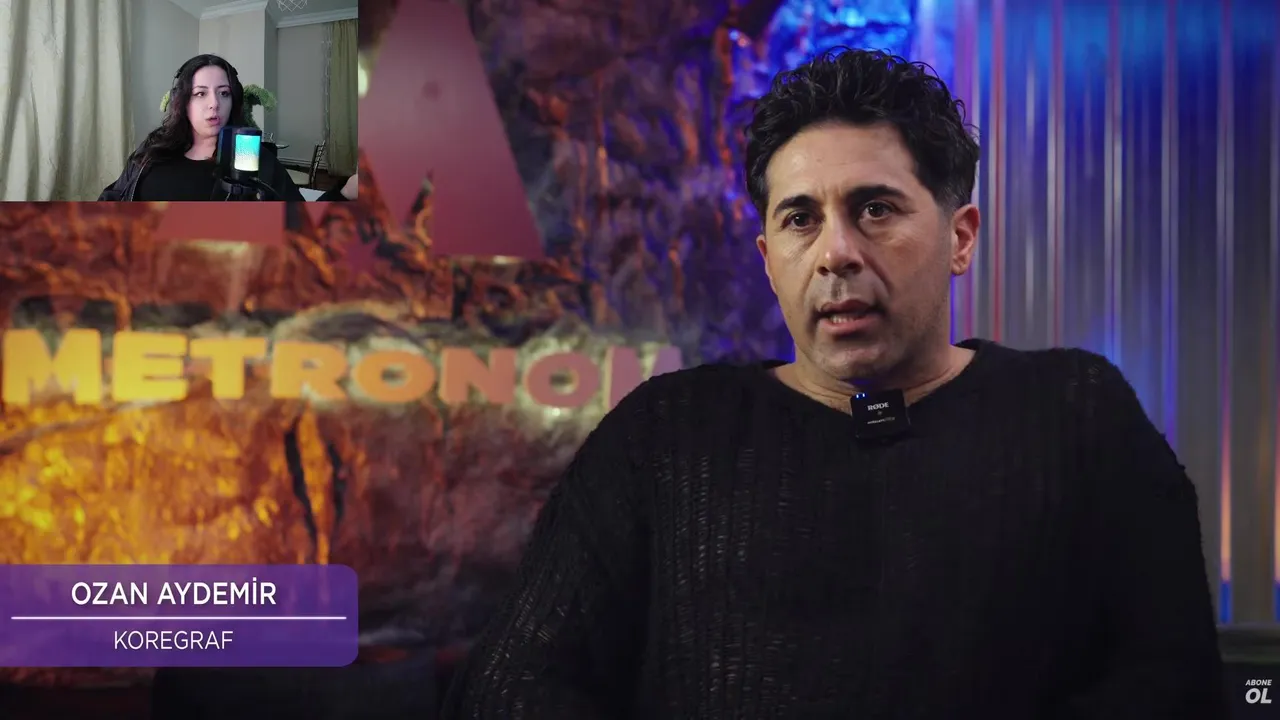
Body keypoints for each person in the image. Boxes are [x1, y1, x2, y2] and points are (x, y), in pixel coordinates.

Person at [441, 48, 1225, 719]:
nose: (835, 253)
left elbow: (1175, 683)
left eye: (874, 209)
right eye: (800, 218)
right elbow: (512, 686)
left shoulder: (1075, 414)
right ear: (767, 258)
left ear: (960, 237)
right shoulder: (667, 435)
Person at [98, 55, 354, 202]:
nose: (214, 104)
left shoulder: (251, 157)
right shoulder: (153, 148)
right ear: (182, 101)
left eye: (224, 93)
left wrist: (346, 192)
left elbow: (301, 224)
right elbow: (113, 197)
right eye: (200, 93)